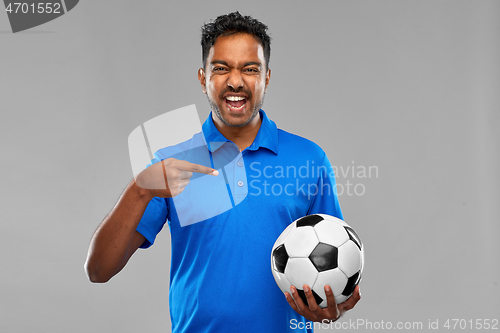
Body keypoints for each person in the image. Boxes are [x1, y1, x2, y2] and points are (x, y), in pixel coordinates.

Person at [85, 11, 360, 333]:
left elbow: (335, 260)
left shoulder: (310, 159)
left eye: (250, 69)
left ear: (266, 78)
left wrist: (332, 306)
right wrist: (140, 189)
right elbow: (99, 270)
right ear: (203, 78)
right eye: (221, 68)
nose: (235, 81)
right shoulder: (170, 163)